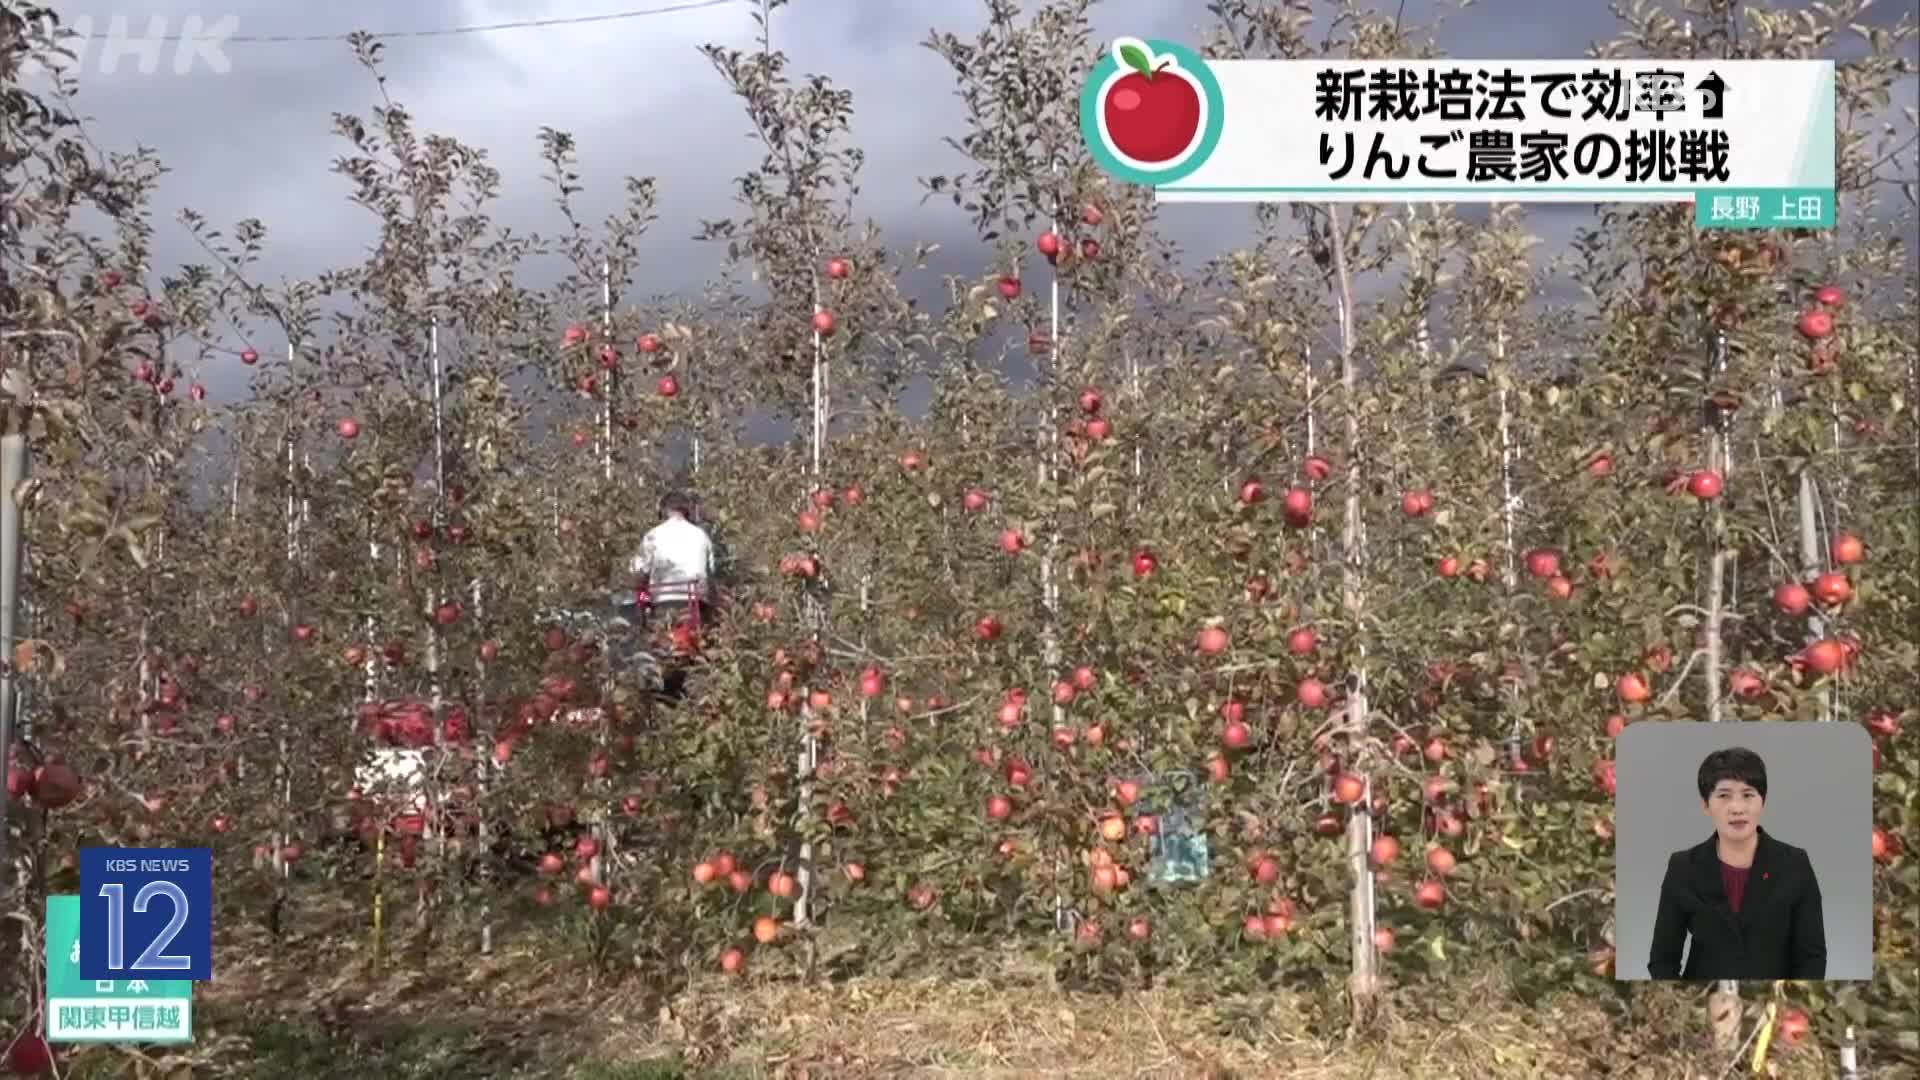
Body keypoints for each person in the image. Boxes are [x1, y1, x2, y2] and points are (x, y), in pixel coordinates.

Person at [1646, 746, 1826, 980]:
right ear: (1705, 805)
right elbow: (1662, 960)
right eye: (1724, 796)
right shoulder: (1683, 867)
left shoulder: (1794, 864)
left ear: (1763, 801)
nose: (1737, 808)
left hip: (1772, 1005)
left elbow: (1812, 957)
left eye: (1748, 795)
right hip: (1704, 1003)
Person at [631, 491, 715, 631]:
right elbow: (711, 572)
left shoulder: (652, 535)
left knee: (641, 592)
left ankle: (643, 630)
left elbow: (638, 571)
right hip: (695, 603)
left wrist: (642, 592)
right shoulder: (702, 535)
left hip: (661, 602)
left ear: (664, 511)